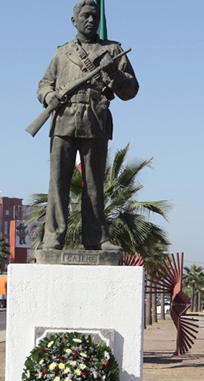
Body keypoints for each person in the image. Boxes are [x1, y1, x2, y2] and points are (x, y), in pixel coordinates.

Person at [37, 0, 139, 251]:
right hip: (63, 120)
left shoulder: (113, 50)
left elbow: (131, 90)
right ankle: (54, 236)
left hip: (95, 120)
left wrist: (113, 73)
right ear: (74, 21)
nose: (91, 20)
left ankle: (97, 237)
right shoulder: (62, 53)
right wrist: (49, 97)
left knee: (94, 184)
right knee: (58, 182)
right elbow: (43, 85)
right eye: (85, 16)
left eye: (94, 16)